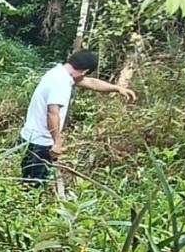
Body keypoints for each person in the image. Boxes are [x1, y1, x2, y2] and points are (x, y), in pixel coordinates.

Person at [20, 48, 137, 187]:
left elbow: (91, 83)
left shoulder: (60, 73)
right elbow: (52, 113)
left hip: (30, 137)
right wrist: (57, 142)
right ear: (84, 70)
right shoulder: (60, 83)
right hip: (40, 143)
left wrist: (117, 88)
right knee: (34, 186)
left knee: (28, 181)